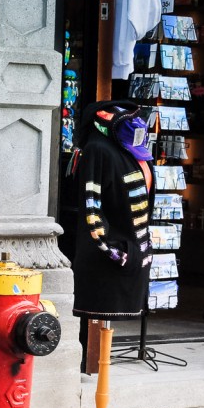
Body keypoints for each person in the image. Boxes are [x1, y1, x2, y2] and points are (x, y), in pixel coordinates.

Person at [69, 100, 155, 365]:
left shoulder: (130, 151)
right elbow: (91, 206)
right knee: (100, 311)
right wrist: (113, 250)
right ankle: (93, 367)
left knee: (115, 320)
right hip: (111, 256)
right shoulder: (97, 149)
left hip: (132, 251)